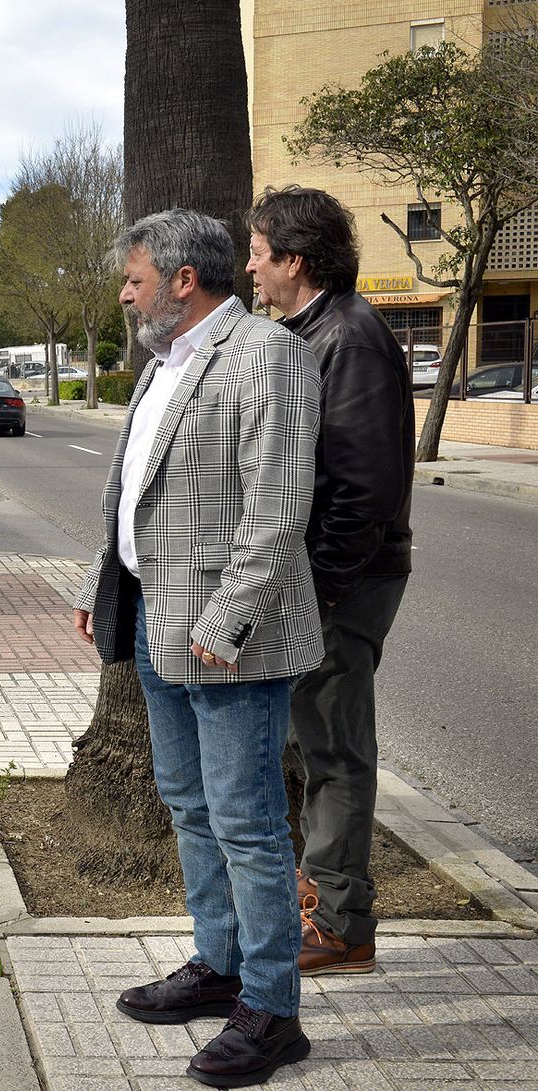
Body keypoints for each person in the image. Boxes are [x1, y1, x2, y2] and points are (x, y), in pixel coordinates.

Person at [72, 208, 323, 1088]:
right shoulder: (163, 363)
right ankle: (219, 964)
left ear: (183, 279)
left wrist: (228, 619)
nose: (124, 293)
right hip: (154, 620)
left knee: (248, 822)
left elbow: (278, 507)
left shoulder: (268, 354)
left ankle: (273, 1009)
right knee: (187, 802)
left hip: (228, 641)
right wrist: (103, 583)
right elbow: (133, 494)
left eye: (134, 278)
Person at [246, 186, 414, 977]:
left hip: (342, 582)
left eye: (259, 253)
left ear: (295, 260)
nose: (250, 267)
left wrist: (320, 590)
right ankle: (320, 896)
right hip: (319, 580)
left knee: (336, 749)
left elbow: (361, 488)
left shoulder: (348, 336)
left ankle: (343, 927)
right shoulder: (309, 333)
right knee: (311, 741)